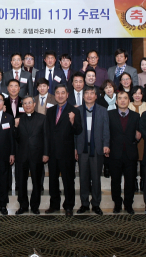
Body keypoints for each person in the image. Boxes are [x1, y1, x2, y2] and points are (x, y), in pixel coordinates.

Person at [45, 84, 83, 217]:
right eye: (57, 93)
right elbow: (47, 132)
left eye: (63, 93)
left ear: (67, 95)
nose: (60, 95)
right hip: (52, 152)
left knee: (68, 181)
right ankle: (54, 205)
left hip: (67, 153)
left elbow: (78, 130)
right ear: (55, 95)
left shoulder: (74, 111)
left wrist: (73, 121)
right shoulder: (50, 111)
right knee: (53, 180)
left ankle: (68, 206)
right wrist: (46, 151)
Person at [75, 86, 110, 215]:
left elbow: (106, 129)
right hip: (82, 148)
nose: (89, 96)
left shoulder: (102, 111)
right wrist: (75, 148)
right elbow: (74, 132)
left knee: (96, 178)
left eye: (92, 93)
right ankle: (84, 203)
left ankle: (96, 204)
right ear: (83, 97)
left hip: (97, 148)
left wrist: (106, 144)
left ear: (96, 96)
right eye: (87, 94)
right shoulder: (77, 111)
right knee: (83, 178)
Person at [108, 91, 141, 215]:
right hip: (114, 153)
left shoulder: (136, 116)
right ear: (116, 101)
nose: (122, 100)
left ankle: (128, 204)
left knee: (130, 181)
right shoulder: (109, 114)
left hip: (130, 154)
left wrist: (138, 137)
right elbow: (106, 133)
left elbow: (139, 133)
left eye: (125, 98)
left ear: (129, 101)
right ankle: (117, 204)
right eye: (120, 98)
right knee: (115, 181)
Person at [14, 96, 48, 215]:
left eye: (29, 103)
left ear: (34, 104)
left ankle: (34, 206)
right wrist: (16, 127)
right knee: (21, 182)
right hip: (22, 156)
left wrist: (45, 153)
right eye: (25, 103)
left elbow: (46, 137)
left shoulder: (43, 118)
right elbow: (16, 138)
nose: (27, 105)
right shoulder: (19, 119)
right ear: (22, 106)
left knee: (37, 182)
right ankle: (23, 205)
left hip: (37, 155)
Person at [128, 86, 146, 193]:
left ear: (143, 95)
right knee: (132, 161)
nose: (137, 95)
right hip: (130, 137)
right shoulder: (127, 105)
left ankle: (143, 180)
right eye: (135, 93)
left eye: (139, 93)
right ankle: (133, 181)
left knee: (143, 160)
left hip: (145, 138)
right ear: (132, 95)